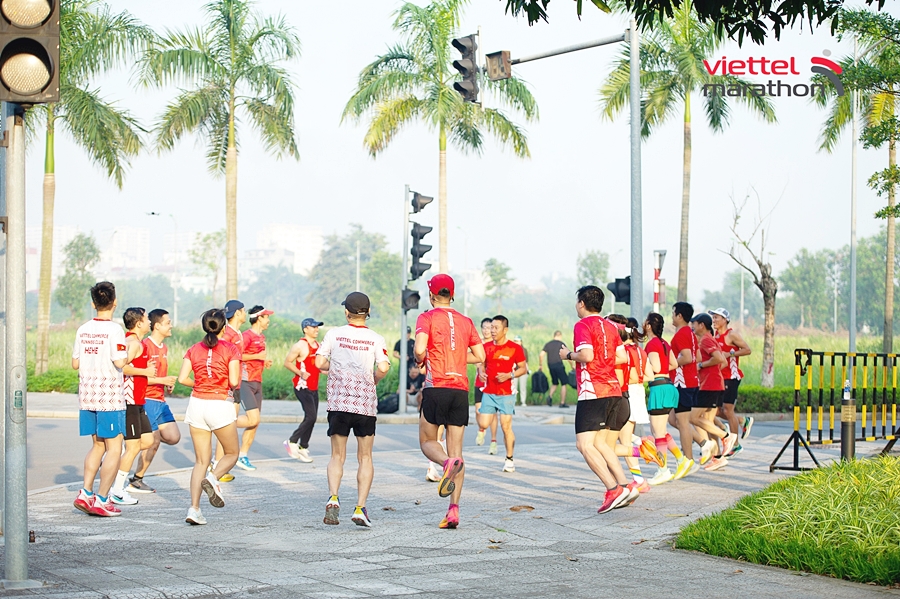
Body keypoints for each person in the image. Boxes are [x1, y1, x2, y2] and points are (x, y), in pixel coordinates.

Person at [415, 274, 485, 529]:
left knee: (427, 442)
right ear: (451, 295)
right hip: (459, 392)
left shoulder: (427, 317)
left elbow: (421, 350)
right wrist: (455, 358)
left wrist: (423, 357)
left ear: (432, 295)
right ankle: (453, 511)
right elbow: (480, 355)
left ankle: (445, 463)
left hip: (437, 387)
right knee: (459, 454)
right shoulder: (466, 321)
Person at [316, 292, 391, 528]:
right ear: (367, 312)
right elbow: (383, 366)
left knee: (337, 455)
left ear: (346, 312)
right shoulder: (376, 339)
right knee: (365, 457)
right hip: (365, 406)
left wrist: (335, 367)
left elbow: (319, 363)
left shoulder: (334, 334)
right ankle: (360, 507)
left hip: (339, 404)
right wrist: (373, 379)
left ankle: (334, 497)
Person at [560, 286, 634, 514]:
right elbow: (622, 357)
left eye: (577, 302)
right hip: (614, 391)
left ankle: (613, 489)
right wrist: (604, 359)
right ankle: (626, 486)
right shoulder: (611, 326)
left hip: (593, 391)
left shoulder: (582, 325)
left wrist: (568, 355)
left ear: (582, 303)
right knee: (601, 444)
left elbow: (587, 355)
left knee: (583, 444)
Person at [177, 309, 241, 525]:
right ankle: (213, 479)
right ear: (223, 327)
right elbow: (233, 381)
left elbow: (182, 378)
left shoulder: (194, 349)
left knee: (200, 461)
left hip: (196, 405)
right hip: (219, 404)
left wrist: (201, 383)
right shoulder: (231, 349)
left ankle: (194, 509)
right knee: (232, 453)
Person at [72, 282, 130, 517]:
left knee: (97, 445)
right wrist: (129, 356)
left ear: (93, 304)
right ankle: (102, 499)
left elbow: (75, 363)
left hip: (87, 395)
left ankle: (86, 493)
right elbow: (119, 362)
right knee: (115, 447)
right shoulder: (115, 330)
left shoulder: (83, 329)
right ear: (115, 302)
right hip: (109, 397)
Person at [128, 308, 180, 494]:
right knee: (154, 440)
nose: (171, 325)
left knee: (173, 438)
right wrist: (161, 381)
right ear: (157, 326)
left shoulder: (164, 348)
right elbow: (139, 377)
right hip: (147, 399)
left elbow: (157, 375)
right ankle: (136, 479)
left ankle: (132, 445)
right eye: (167, 322)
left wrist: (166, 384)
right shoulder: (144, 346)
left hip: (160, 400)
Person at [109, 307, 157, 506]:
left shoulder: (139, 343)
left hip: (139, 401)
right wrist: (145, 371)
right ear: (138, 323)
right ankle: (117, 490)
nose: (149, 323)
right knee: (134, 446)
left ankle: (113, 459)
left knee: (147, 441)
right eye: (147, 319)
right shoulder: (132, 343)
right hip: (129, 401)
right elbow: (122, 365)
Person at [606, 314, 658, 495]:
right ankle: (641, 452)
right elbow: (650, 376)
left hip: (625, 393)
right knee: (624, 439)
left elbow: (626, 376)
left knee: (621, 442)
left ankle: (640, 466)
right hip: (637, 393)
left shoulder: (623, 352)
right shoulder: (640, 351)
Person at [643, 312, 690, 485]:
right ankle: (681, 460)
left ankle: (663, 469)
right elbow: (674, 364)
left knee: (657, 432)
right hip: (668, 386)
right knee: (660, 430)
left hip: (659, 388)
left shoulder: (651, 344)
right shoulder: (664, 343)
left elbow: (654, 366)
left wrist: (643, 365)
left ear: (648, 325)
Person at [477, 316, 527, 473]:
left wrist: (509, 375)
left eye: (495, 328)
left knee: (506, 427)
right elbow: (481, 365)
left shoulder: (514, 348)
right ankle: (487, 432)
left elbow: (522, 369)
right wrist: (481, 372)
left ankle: (509, 459)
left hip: (506, 394)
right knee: (483, 423)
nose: (492, 331)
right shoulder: (486, 347)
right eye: (491, 327)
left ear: (505, 330)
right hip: (489, 392)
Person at [690, 313, 738, 471]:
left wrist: (702, 366)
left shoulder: (705, 340)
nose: (693, 327)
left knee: (693, 418)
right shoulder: (711, 338)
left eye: (694, 324)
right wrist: (713, 372)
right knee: (707, 422)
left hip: (709, 386)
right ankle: (718, 458)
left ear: (701, 325)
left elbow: (718, 358)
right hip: (714, 383)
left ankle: (726, 436)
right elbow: (723, 361)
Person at [709, 308, 753, 452]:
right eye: (713, 318)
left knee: (728, 410)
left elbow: (747, 350)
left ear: (725, 320)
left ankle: (735, 445)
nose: (714, 320)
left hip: (732, 377)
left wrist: (730, 353)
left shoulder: (731, 335)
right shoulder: (715, 336)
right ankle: (741, 420)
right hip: (720, 377)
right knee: (714, 411)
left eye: (716, 317)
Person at [237, 305, 274, 470]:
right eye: (266, 317)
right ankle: (222, 422)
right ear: (259, 318)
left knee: (254, 422)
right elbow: (237, 355)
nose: (268, 320)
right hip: (245, 382)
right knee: (254, 418)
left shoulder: (262, 337)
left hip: (257, 382)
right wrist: (257, 356)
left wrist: (264, 361)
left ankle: (243, 455)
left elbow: (257, 357)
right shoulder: (246, 336)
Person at [667, 302, 701, 480]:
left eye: (673, 313)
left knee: (682, 421)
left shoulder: (682, 334)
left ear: (680, 315)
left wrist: (670, 364)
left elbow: (687, 357)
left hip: (683, 383)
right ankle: (703, 443)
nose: (672, 316)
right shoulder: (690, 333)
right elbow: (698, 357)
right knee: (675, 420)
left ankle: (688, 460)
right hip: (688, 381)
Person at [283, 317, 323, 463]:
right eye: (313, 327)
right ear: (306, 329)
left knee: (312, 418)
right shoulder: (300, 345)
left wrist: (325, 370)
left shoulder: (318, 345)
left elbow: (318, 364)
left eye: (317, 327)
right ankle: (292, 441)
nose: (316, 329)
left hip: (314, 387)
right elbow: (287, 362)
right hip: (302, 386)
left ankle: (303, 447)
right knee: (311, 416)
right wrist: (300, 373)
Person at [474, 317, 498, 450]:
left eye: (489, 328)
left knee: (493, 413)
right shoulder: (478, 344)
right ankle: (481, 429)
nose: (486, 330)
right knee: (478, 410)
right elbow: (477, 362)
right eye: (484, 327)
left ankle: (493, 440)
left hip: (492, 383)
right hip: (479, 382)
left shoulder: (496, 345)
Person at [540, 331, 569, 407]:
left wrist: (540, 365)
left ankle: (550, 396)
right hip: (559, 365)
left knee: (555, 383)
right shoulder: (561, 344)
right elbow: (567, 355)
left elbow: (541, 354)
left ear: (554, 336)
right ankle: (562, 403)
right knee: (564, 383)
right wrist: (572, 365)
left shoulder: (548, 344)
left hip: (551, 366)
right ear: (560, 336)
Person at [513, 336, 529, 406]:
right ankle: (514, 400)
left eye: (518, 341)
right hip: (515, 370)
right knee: (514, 386)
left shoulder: (524, 350)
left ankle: (523, 401)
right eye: (515, 341)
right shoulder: (512, 349)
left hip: (523, 371)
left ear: (521, 342)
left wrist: (527, 370)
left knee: (523, 386)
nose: (517, 342)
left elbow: (526, 361)